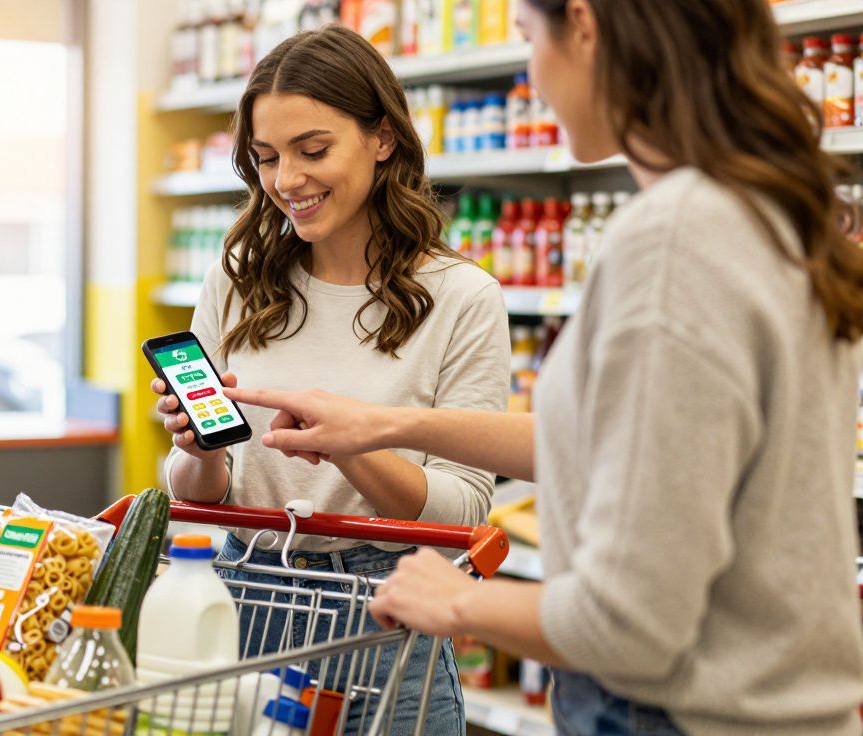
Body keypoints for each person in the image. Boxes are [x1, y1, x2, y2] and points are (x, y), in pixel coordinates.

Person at [225, 1, 863, 734]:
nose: (532, 72)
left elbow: (630, 620)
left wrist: (454, 601)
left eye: (528, 37)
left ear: (584, 27)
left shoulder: (676, 242)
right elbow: (632, 444)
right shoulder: (776, 213)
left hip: (682, 712)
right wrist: (381, 426)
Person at [150, 24, 510, 735]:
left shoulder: (464, 297)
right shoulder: (237, 280)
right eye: (266, 157)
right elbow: (199, 496)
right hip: (238, 601)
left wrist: (353, 443)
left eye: (313, 150)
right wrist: (198, 452)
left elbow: (462, 517)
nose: (286, 180)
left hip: (386, 617)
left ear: (382, 138)